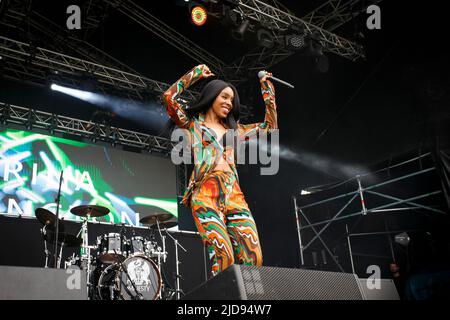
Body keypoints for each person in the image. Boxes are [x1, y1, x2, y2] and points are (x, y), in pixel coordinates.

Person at [162, 64, 278, 276]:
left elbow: (269, 126)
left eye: (232, 100)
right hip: (205, 196)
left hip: (234, 195)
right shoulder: (192, 125)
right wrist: (195, 74)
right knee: (223, 256)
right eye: (224, 97)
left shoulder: (235, 131)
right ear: (212, 96)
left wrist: (267, 89)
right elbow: (169, 97)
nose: (229, 103)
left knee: (254, 258)